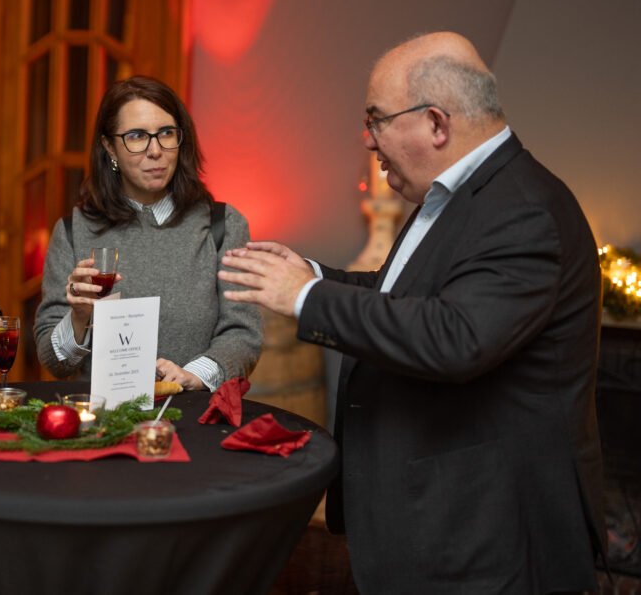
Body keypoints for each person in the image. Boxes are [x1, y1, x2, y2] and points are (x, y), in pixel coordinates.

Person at [220, 31, 606, 593]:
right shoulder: (457, 196)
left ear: (435, 123)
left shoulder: (523, 210)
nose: (367, 138)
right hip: (445, 523)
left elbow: (455, 337)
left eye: (375, 119)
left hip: (490, 536)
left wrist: (306, 297)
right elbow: (403, 296)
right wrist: (312, 274)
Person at [35, 75, 262, 391]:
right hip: (104, 418)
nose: (155, 151)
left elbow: (243, 334)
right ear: (110, 147)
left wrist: (193, 375)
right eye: (137, 136)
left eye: (166, 133)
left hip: (195, 413)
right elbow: (54, 363)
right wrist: (79, 318)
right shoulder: (74, 232)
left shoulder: (223, 225)